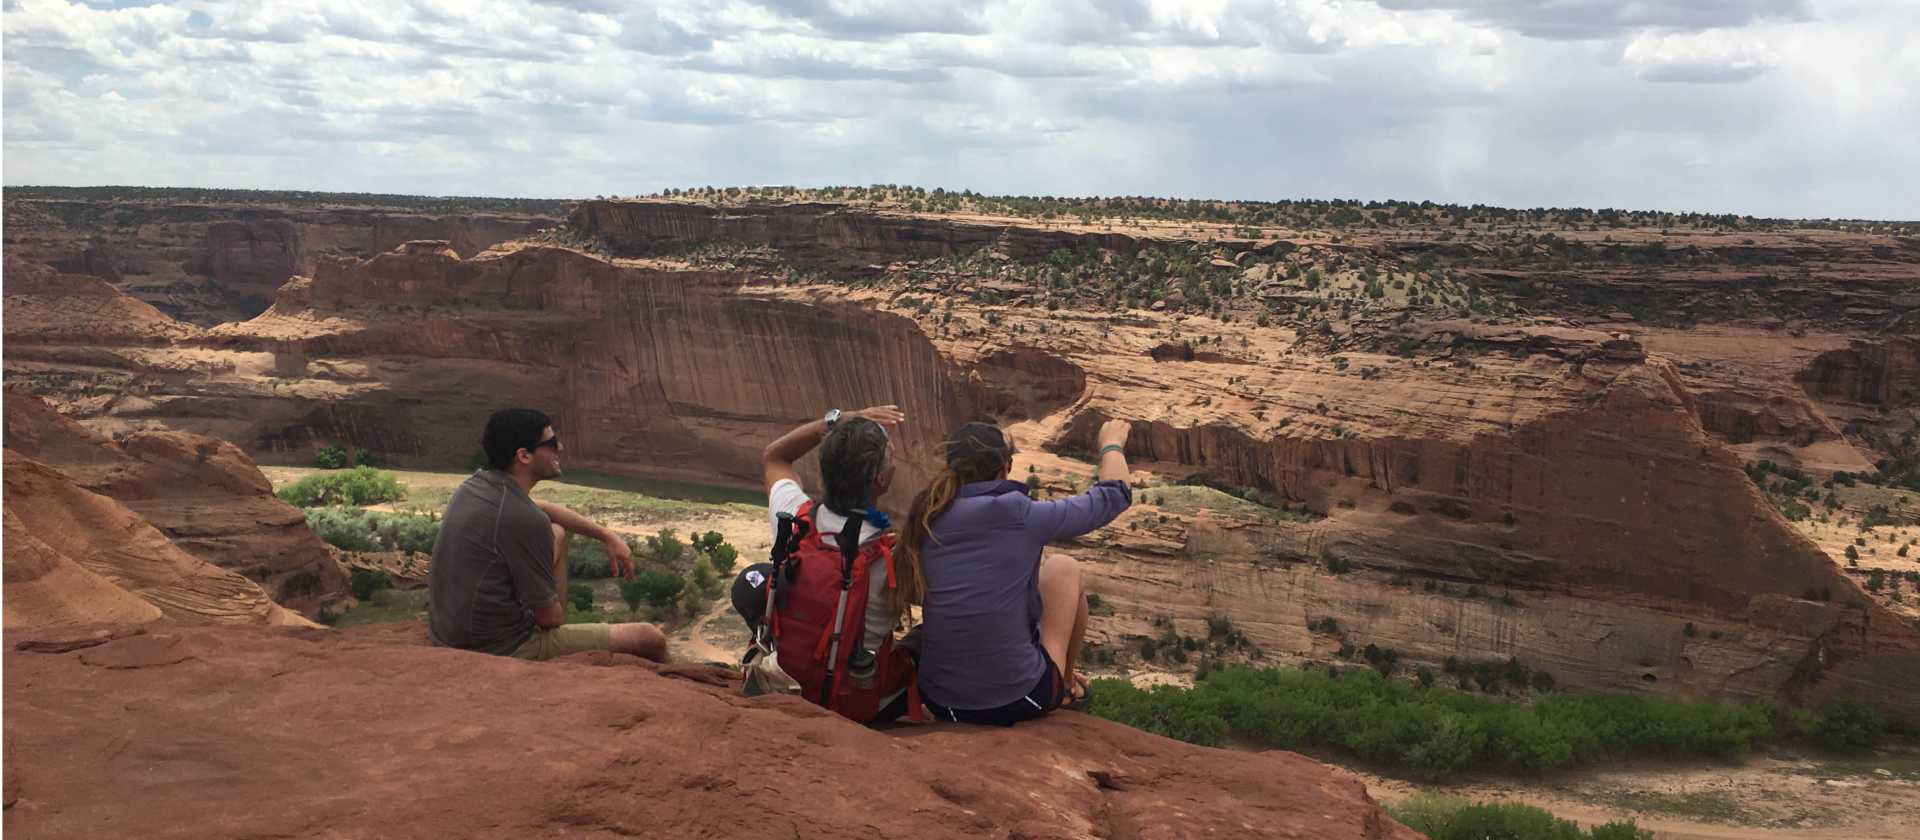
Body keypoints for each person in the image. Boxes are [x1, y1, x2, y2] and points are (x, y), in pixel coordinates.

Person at [893, 418, 1133, 725]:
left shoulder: (927, 517)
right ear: (1005, 468)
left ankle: (1058, 679)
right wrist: (1112, 444)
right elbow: (1113, 497)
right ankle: (1066, 685)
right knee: (1064, 568)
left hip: (942, 702)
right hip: (1019, 698)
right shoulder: (1016, 512)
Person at [428, 408, 668, 662]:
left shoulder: (476, 486)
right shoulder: (523, 518)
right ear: (524, 455)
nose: (561, 448)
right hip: (499, 647)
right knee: (649, 637)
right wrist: (551, 616)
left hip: (450, 632)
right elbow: (549, 617)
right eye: (552, 443)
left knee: (558, 532)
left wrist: (605, 535)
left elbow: (543, 508)